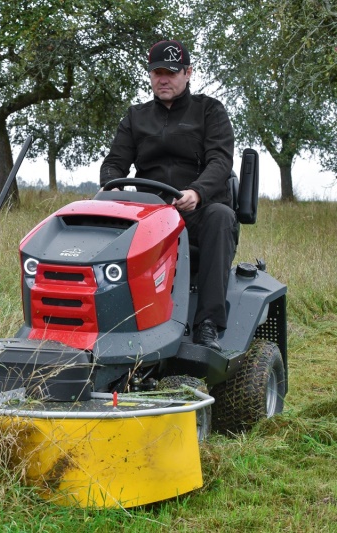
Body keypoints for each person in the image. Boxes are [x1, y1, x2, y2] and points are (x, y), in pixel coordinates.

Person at [99, 39, 236, 351]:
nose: (163, 79)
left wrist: (197, 192)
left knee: (221, 217)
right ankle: (112, 322)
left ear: (188, 73)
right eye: (156, 72)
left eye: (171, 73)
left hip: (199, 211)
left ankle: (208, 325)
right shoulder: (135, 117)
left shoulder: (210, 111)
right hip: (151, 213)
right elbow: (114, 163)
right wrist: (113, 185)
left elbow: (220, 161)